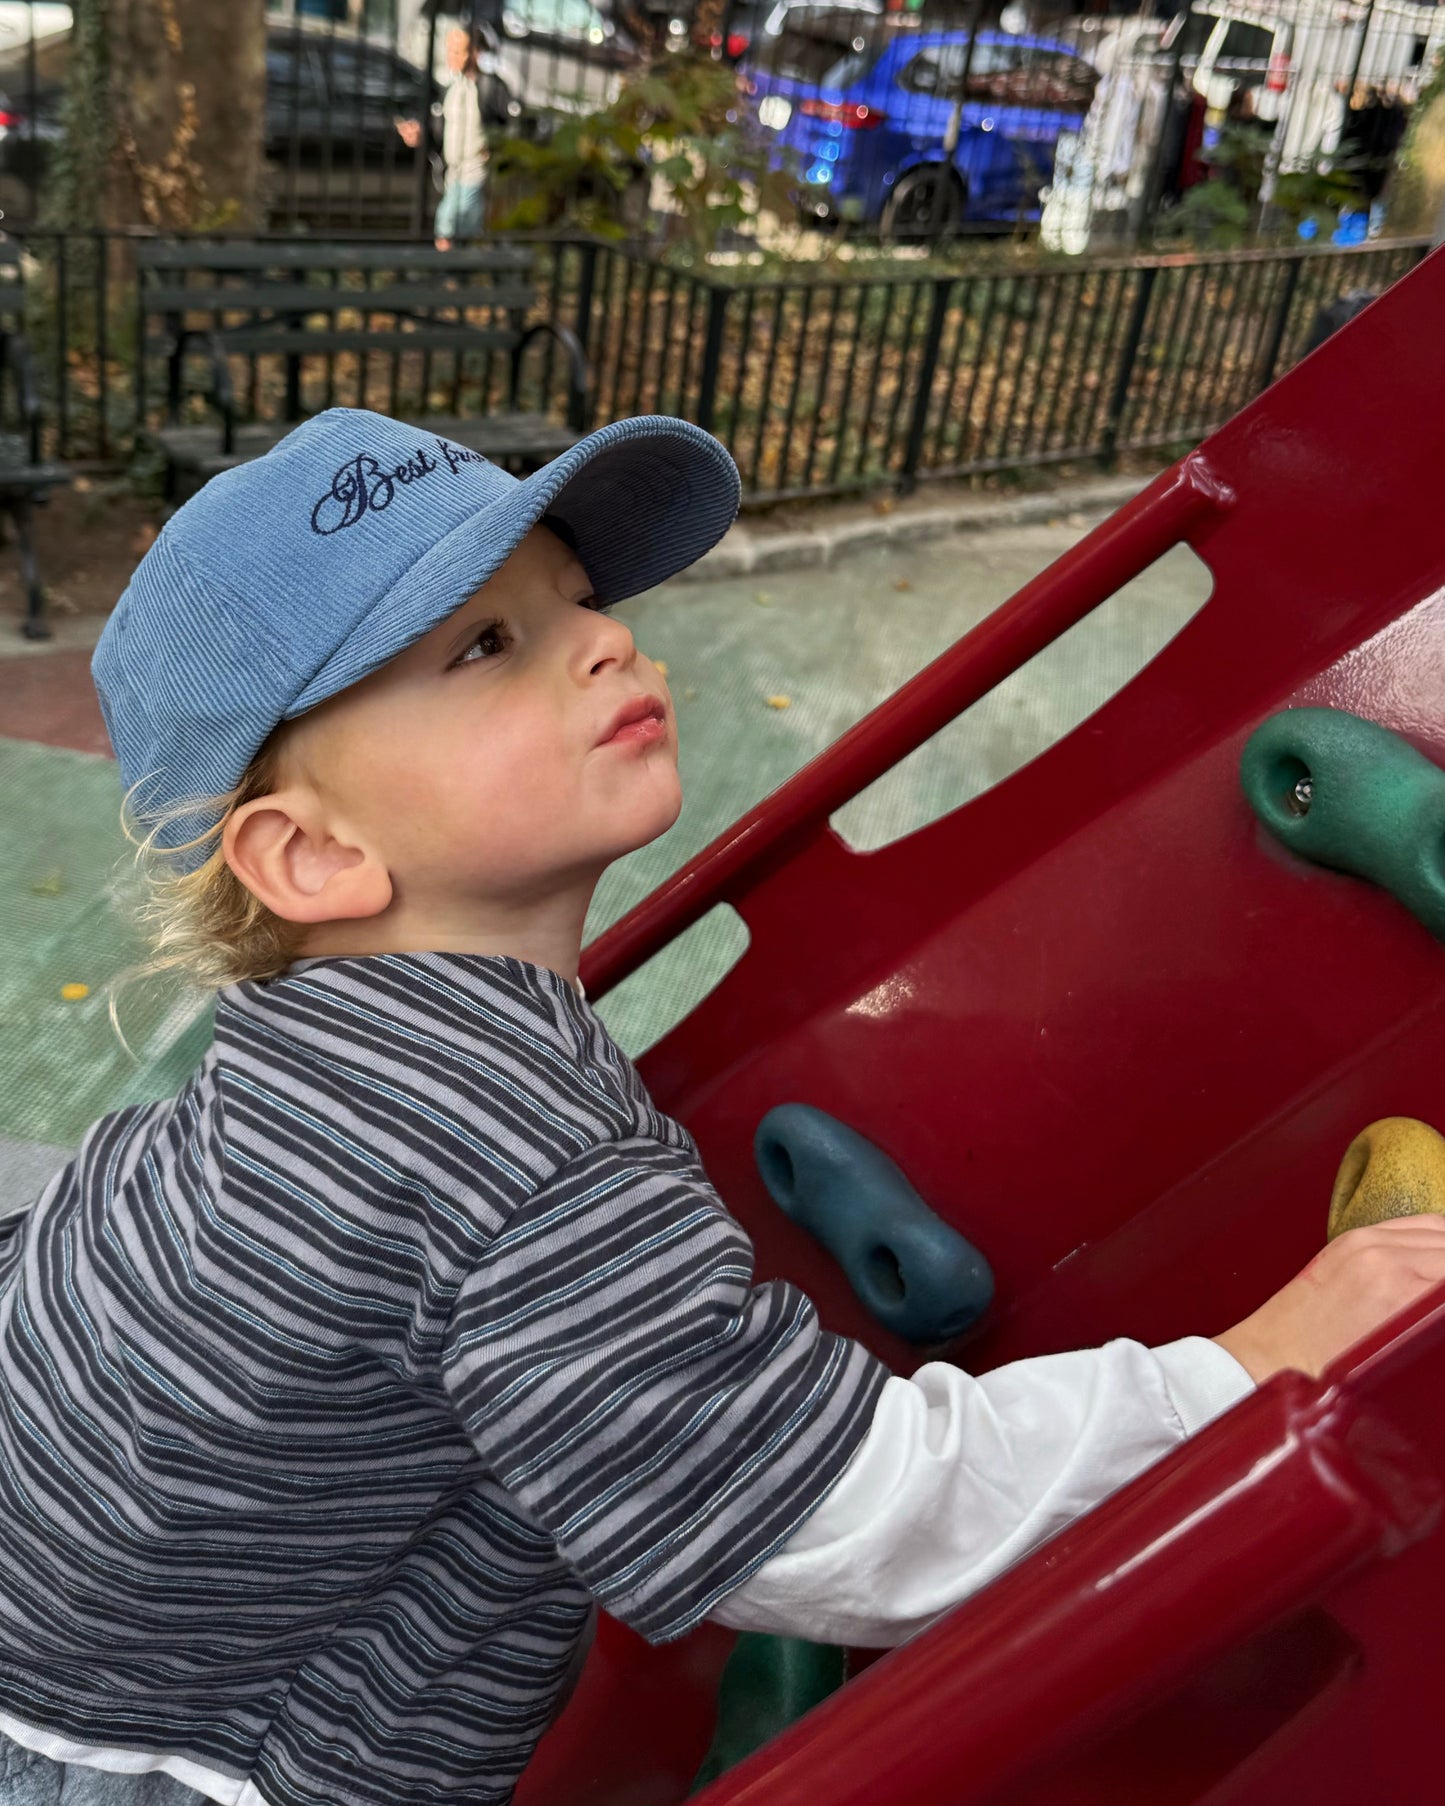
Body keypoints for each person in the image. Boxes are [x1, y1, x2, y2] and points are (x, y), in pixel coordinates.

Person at [1, 407, 1443, 1806]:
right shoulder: (499, 1137)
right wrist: (1254, 1365)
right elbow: (832, 1517)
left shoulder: (313, 1051)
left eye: (574, 596)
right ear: (312, 855)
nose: (608, 638)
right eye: (487, 645)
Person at [397, 25, 489, 250]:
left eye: (458, 52)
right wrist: (420, 135)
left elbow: (509, 127)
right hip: (453, 172)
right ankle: (457, 276)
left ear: (475, 53)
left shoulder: (489, 88)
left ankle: (450, 278)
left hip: (474, 171)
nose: (451, 58)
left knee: (447, 223)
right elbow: (439, 133)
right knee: (464, 231)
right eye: (449, 51)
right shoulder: (451, 88)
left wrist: (492, 151)